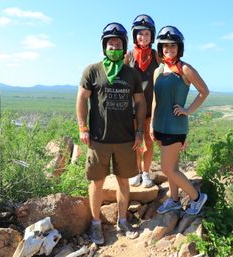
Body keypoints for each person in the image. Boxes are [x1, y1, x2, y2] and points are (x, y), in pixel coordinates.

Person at [76, 22, 146, 244]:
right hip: (99, 140)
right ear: (104, 46)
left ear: (124, 45)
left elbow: (140, 103)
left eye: (117, 43)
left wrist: (140, 132)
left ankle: (122, 221)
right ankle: (96, 223)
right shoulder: (93, 70)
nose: (113, 47)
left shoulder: (131, 74)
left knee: (124, 182)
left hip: (126, 139)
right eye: (110, 43)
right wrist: (82, 127)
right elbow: (81, 99)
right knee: (97, 182)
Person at [151, 26, 209, 215]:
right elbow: (154, 99)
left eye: (173, 46)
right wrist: (152, 123)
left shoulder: (185, 69)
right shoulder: (158, 71)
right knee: (172, 167)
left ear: (179, 48)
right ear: (161, 48)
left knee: (167, 169)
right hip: (160, 125)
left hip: (175, 126)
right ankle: (174, 200)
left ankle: (197, 197)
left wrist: (188, 110)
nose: (169, 49)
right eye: (165, 46)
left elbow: (204, 91)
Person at [125, 14, 161, 188]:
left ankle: (145, 172)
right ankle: (135, 172)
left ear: (152, 36)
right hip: (132, 107)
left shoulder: (156, 55)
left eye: (147, 34)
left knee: (148, 139)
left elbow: (168, 69)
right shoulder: (129, 55)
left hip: (150, 106)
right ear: (134, 35)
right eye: (140, 33)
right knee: (134, 141)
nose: (143, 37)